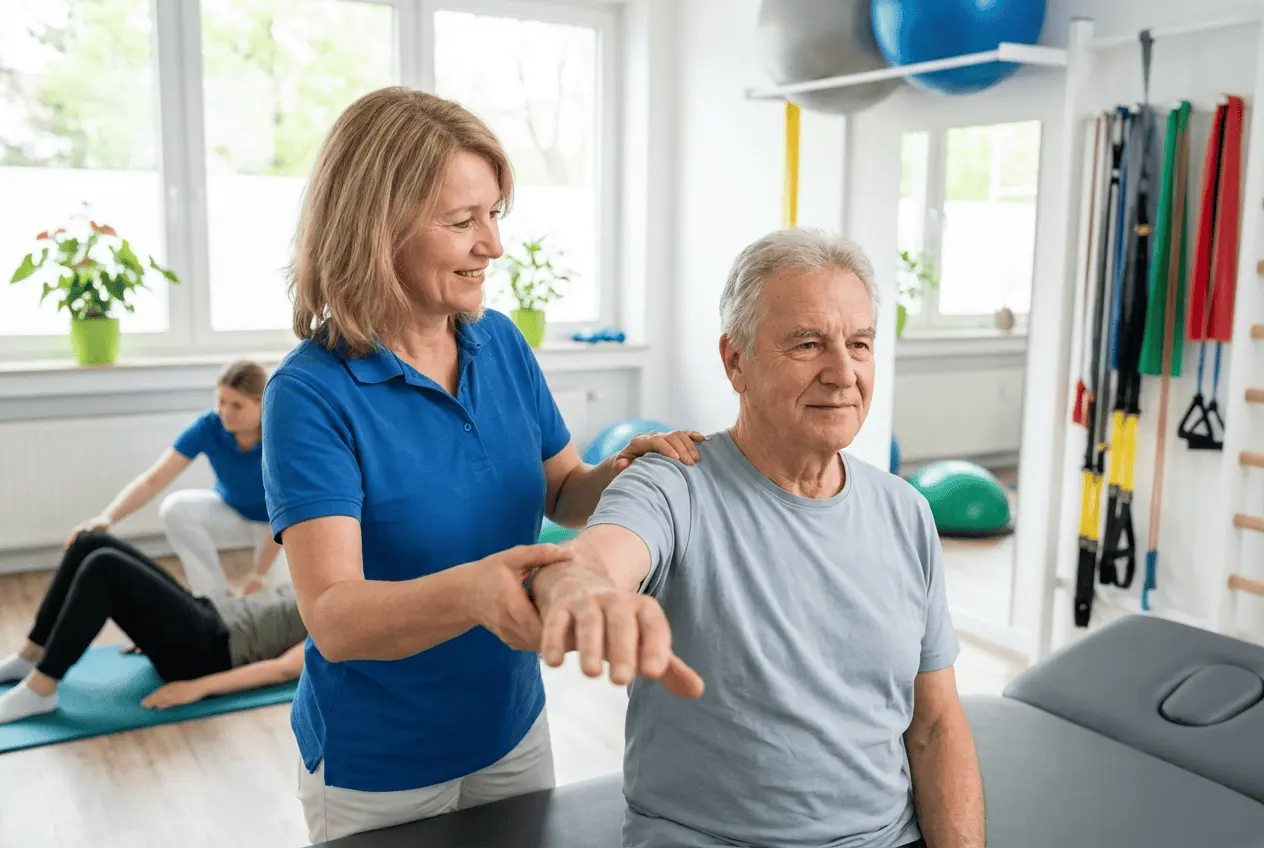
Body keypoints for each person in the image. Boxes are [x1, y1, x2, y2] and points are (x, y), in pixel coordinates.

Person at [261, 85, 704, 843]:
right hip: (379, 768)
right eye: (463, 222)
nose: (492, 245)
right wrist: (473, 593)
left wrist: (620, 471)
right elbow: (333, 618)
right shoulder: (309, 394)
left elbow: (563, 489)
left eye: (495, 214)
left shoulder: (498, 342)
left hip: (511, 732)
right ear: (377, 228)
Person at [532, 228, 986, 848]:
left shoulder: (905, 511)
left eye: (859, 344)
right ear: (735, 361)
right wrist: (576, 586)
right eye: (808, 344)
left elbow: (935, 725)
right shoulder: (675, 482)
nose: (843, 372)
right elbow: (600, 555)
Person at [0, 531, 306, 725]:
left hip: (208, 651)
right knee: (90, 542)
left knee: (104, 567)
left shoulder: (342, 621)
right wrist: (158, 625)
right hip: (210, 614)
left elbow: (282, 669)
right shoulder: (334, 580)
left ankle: (41, 690)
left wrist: (196, 688)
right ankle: (30, 656)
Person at [66, 360, 287, 598]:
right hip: (232, 511)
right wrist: (107, 517)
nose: (225, 412)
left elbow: (288, 511)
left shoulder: (279, 435)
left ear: (261, 403)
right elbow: (153, 480)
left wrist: (258, 574)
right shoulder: (209, 426)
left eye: (237, 406)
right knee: (175, 508)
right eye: (221, 401)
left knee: (277, 599)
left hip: (277, 527)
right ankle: (215, 596)